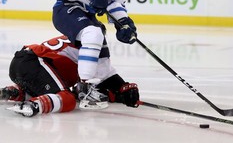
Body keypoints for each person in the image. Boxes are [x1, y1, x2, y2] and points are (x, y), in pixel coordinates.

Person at [52, 0, 141, 106]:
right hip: (66, 7)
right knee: (93, 34)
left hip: (86, 15)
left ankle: (103, 85)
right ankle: (84, 88)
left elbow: (115, 5)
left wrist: (124, 23)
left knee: (101, 48)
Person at [0, 35, 140, 117]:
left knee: (49, 92)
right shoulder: (92, 48)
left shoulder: (76, 36)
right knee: (68, 99)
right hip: (35, 62)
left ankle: (13, 92)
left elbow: (98, 81)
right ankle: (34, 105)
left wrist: (121, 90)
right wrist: (123, 88)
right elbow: (106, 76)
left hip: (21, 64)